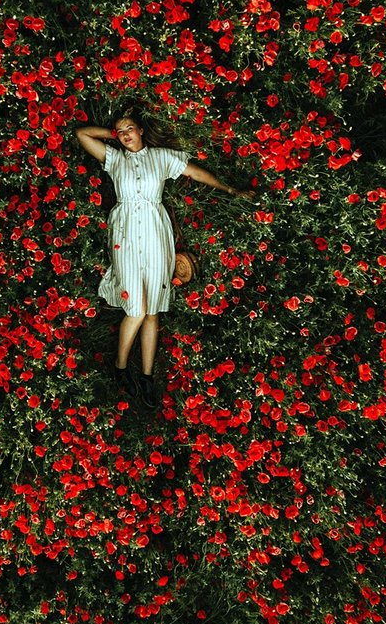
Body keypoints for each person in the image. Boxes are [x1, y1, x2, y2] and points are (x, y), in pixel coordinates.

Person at [76, 110, 254, 408]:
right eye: (121, 132)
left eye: (130, 128)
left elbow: (195, 172)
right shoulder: (115, 159)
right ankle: (120, 368)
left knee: (153, 310)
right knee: (138, 307)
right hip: (126, 235)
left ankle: (146, 376)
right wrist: (114, 134)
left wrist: (231, 189)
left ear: (142, 130)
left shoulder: (161, 157)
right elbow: (82, 134)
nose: (126, 135)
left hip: (157, 233)